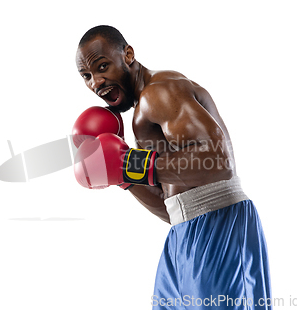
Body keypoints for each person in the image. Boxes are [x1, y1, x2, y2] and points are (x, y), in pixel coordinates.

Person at [73, 25, 272, 310]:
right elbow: (174, 208)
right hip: (184, 234)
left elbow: (218, 161)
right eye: (87, 76)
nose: (96, 82)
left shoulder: (160, 92)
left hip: (219, 228)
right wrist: (123, 177)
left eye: (102, 67)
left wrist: (129, 163)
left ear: (128, 55)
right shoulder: (141, 113)